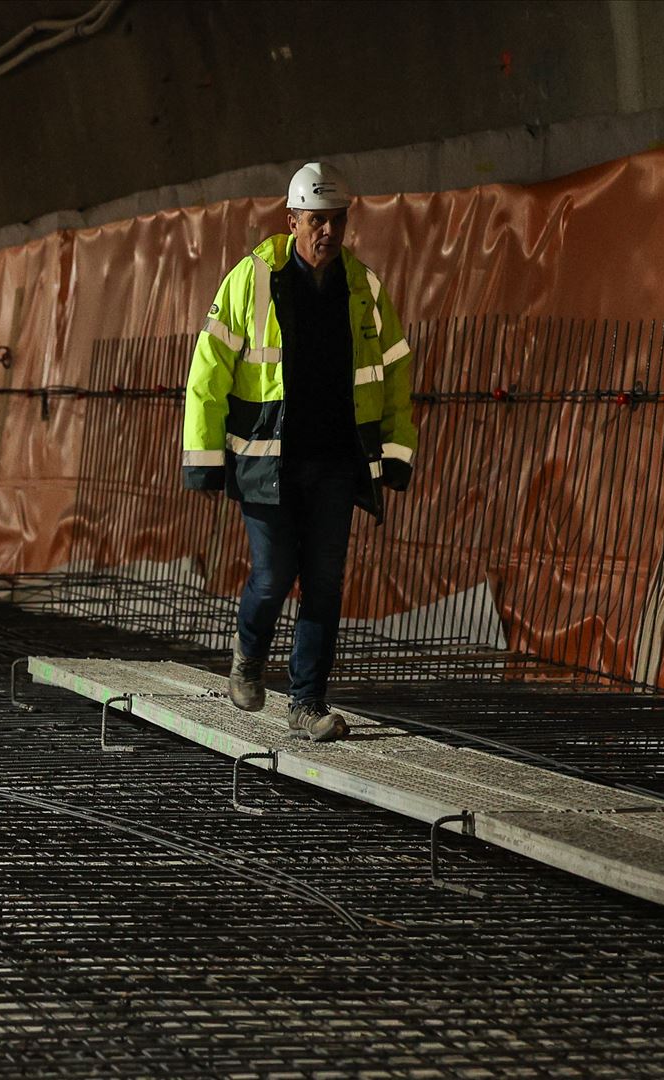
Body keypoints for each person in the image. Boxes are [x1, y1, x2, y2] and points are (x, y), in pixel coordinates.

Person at [180, 162, 418, 742]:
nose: (328, 233)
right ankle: (248, 656)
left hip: (338, 458)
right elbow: (207, 373)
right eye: (317, 221)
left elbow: (395, 372)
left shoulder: (363, 288)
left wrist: (395, 450)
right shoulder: (250, 279)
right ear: (292, 220)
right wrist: (203, 457)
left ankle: (308, 702)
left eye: (337, 221)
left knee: (325, 581)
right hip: (267, 458)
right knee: (273, 575)